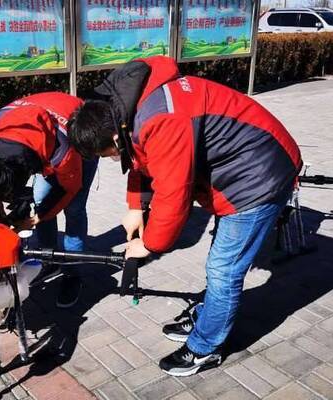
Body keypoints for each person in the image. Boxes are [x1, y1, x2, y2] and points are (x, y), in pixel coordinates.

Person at [68, 56, 302, 376]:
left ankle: (206, 347)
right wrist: (136, 206)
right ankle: (209, 314)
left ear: (112, 137)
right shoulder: (128, 105)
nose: (110, 160)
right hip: (243, 165)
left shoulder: (162, 119)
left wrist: (149, 245)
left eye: (105, 155)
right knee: (222, 261)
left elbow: (173, 194)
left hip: (259, 177)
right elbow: (140, 156)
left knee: (223, 269)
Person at [0, 92, 98, 308]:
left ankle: (72, 274)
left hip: (79, 130)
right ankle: (49, 259)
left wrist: (36, 219)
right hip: (38, 136)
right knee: (41, 198)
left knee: (74, 209)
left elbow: (69, 189)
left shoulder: (64, 151)